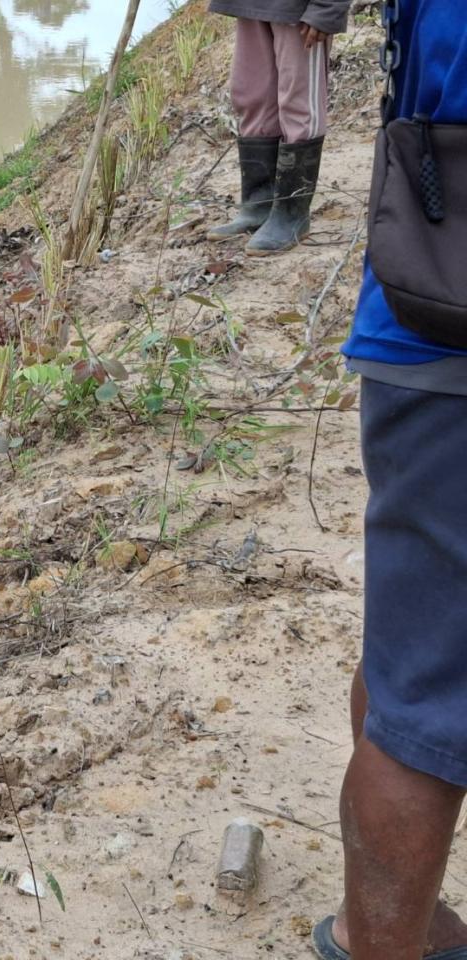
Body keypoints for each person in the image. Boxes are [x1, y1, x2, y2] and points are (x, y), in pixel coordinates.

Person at [315, 3, 467, 959]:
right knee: (426, 697)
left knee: (414, 658)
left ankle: (393, 926)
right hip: (445, 335)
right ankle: (385, 936)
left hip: (424, 307)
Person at [205, 0, 351, 254]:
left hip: (300, 9)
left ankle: (291, 214)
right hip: (254, 6)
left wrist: (327, 7)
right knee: (252, 95)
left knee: (299, 102)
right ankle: (259, 204)